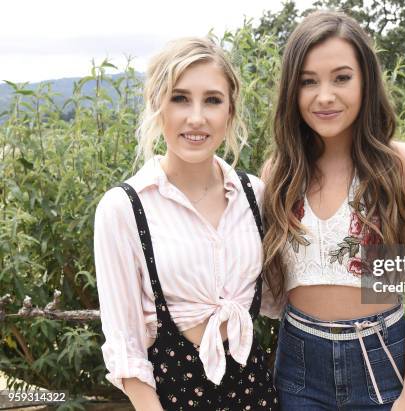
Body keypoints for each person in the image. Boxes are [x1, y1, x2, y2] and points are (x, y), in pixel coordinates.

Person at [261, 11, 405, 410]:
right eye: (308, 81)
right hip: (299, 364)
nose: (324, 95)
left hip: (382, 358)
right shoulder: (279, 173)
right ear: (292, 90)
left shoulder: (404, 167)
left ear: (365, 82)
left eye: (341, 78)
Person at [94, 37, 278, 410]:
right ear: (157, 106)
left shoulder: (253, 195)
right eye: (180, 98)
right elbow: (126, 346)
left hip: (256, 394)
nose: (196, 117)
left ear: (230, 111)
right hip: (174, 397)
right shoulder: (125, 208)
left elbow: (283, 297)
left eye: (212, 100)